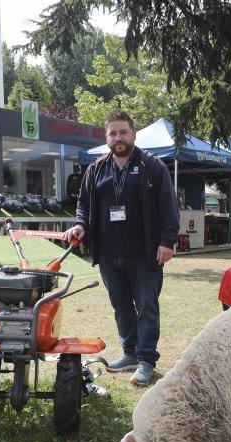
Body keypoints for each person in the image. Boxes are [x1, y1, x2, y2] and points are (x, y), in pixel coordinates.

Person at [63, 111, 179, 386]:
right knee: (121, 307)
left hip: (145, 254)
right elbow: (83, 205)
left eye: (123, 132)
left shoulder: (152, 166)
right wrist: (80, 224)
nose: (118, 138)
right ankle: (129, 354)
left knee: (146, 307)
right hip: (108, 255)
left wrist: (167, 241)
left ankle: (146, 360)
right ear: (107, 138)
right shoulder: (96, 169)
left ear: (133, 135)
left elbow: (168, 205)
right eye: (112, 133)